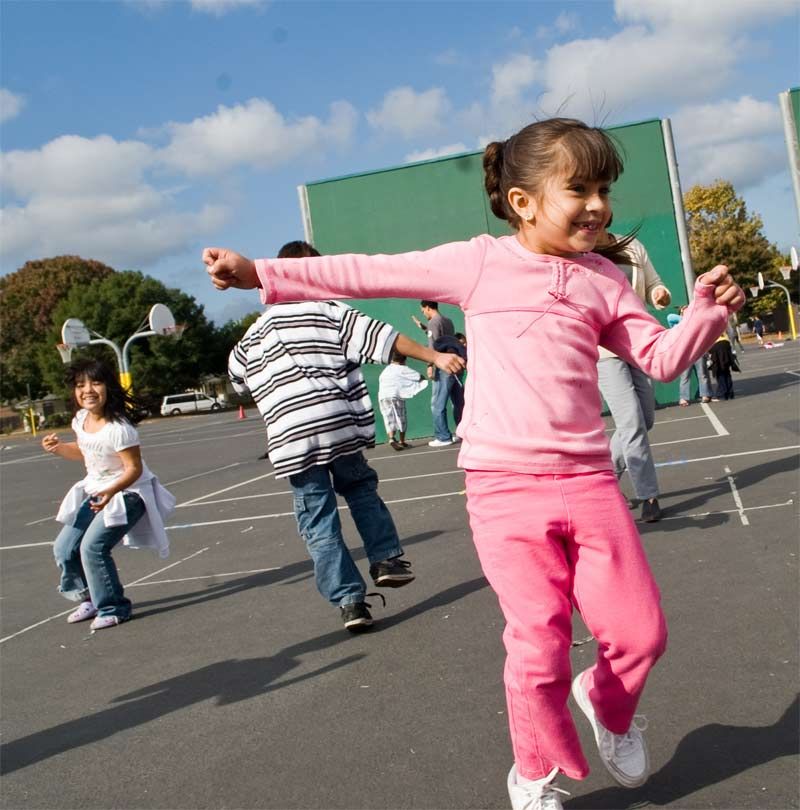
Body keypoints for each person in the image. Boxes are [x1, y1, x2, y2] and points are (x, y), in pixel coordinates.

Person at [203, 118, 744, 810]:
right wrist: (261, 273)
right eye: (577, 188)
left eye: (604, 188)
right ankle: (534, 772)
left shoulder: (605, 279)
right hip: (505, 489)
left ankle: (607, 705)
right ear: (523, 201)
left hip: (587, 483)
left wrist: (703, 314)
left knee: (642, 633)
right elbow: (370, 272)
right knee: (538, 649)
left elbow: (662, 360)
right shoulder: (481, 262)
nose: (598, 204)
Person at [228, 240, 465, 633]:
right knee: (359, 489)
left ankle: (350, 602)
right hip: (337, 424)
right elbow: (387, 340)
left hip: (292, 439)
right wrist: (436, 356)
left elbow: (236, 375)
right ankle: (386, 558)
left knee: (317, 520)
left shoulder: (255, 332)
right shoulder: (330, 312)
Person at [42, 359, 175, 631]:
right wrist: (58, 448)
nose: (87, 390)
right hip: (98, 490)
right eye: (80, 385)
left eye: (95, 383)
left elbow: (134, 469)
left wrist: (111, 490)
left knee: (92, 548)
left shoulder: (120, 428)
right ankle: (89, 597)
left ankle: (115, 607)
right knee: (65, 548)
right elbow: (86, 453)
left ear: (108, 387)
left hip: (129, 492)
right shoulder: (80, 419)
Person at [596, 224, 670, 523]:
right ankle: (648, 495)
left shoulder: (632, 247)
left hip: (638, 342)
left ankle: (606, 478)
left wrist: (660, 294)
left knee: (644, 420)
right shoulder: (582, 255)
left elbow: (654, 284)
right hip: (604, 351)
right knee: (631, 422)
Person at [412, 301, 462, 447]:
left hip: (443, 366)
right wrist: (422, 326)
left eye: (423, 311)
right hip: (455, 365)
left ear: (428, 307)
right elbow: (440, 337)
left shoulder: (434, 322)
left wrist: (429, 365)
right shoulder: (448, 321)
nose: (423, 313)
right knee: (458, 402)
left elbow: (433, 344)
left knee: (437, 404)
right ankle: (463, 433)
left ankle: (443, 437)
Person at [378, 349, 429, 450]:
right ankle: (402, 441)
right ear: (403, 360)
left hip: (383, 397)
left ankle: (391, 438)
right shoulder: (403, 369)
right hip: (396, 395)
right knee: (401, 417)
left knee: (388, 418)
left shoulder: (386, 370)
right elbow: (419, 377)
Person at [670, 306, 712, 406]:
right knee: (685, 377)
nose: (687, 312)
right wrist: (685, 319)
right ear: (680, 313)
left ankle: (705, 395)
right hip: (685, 355)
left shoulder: (695, 323)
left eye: (688, 310)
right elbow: (670, 317)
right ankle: (683, 398)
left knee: (702, 374)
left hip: (697, 352)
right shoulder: (677, 324)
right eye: (684, 311)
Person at [708, 332, 739, 400]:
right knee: (726, 372)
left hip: (716, 347)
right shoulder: (722, 330)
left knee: (720, 373)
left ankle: (723, 392)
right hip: (726, 344)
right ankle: (730, 392)